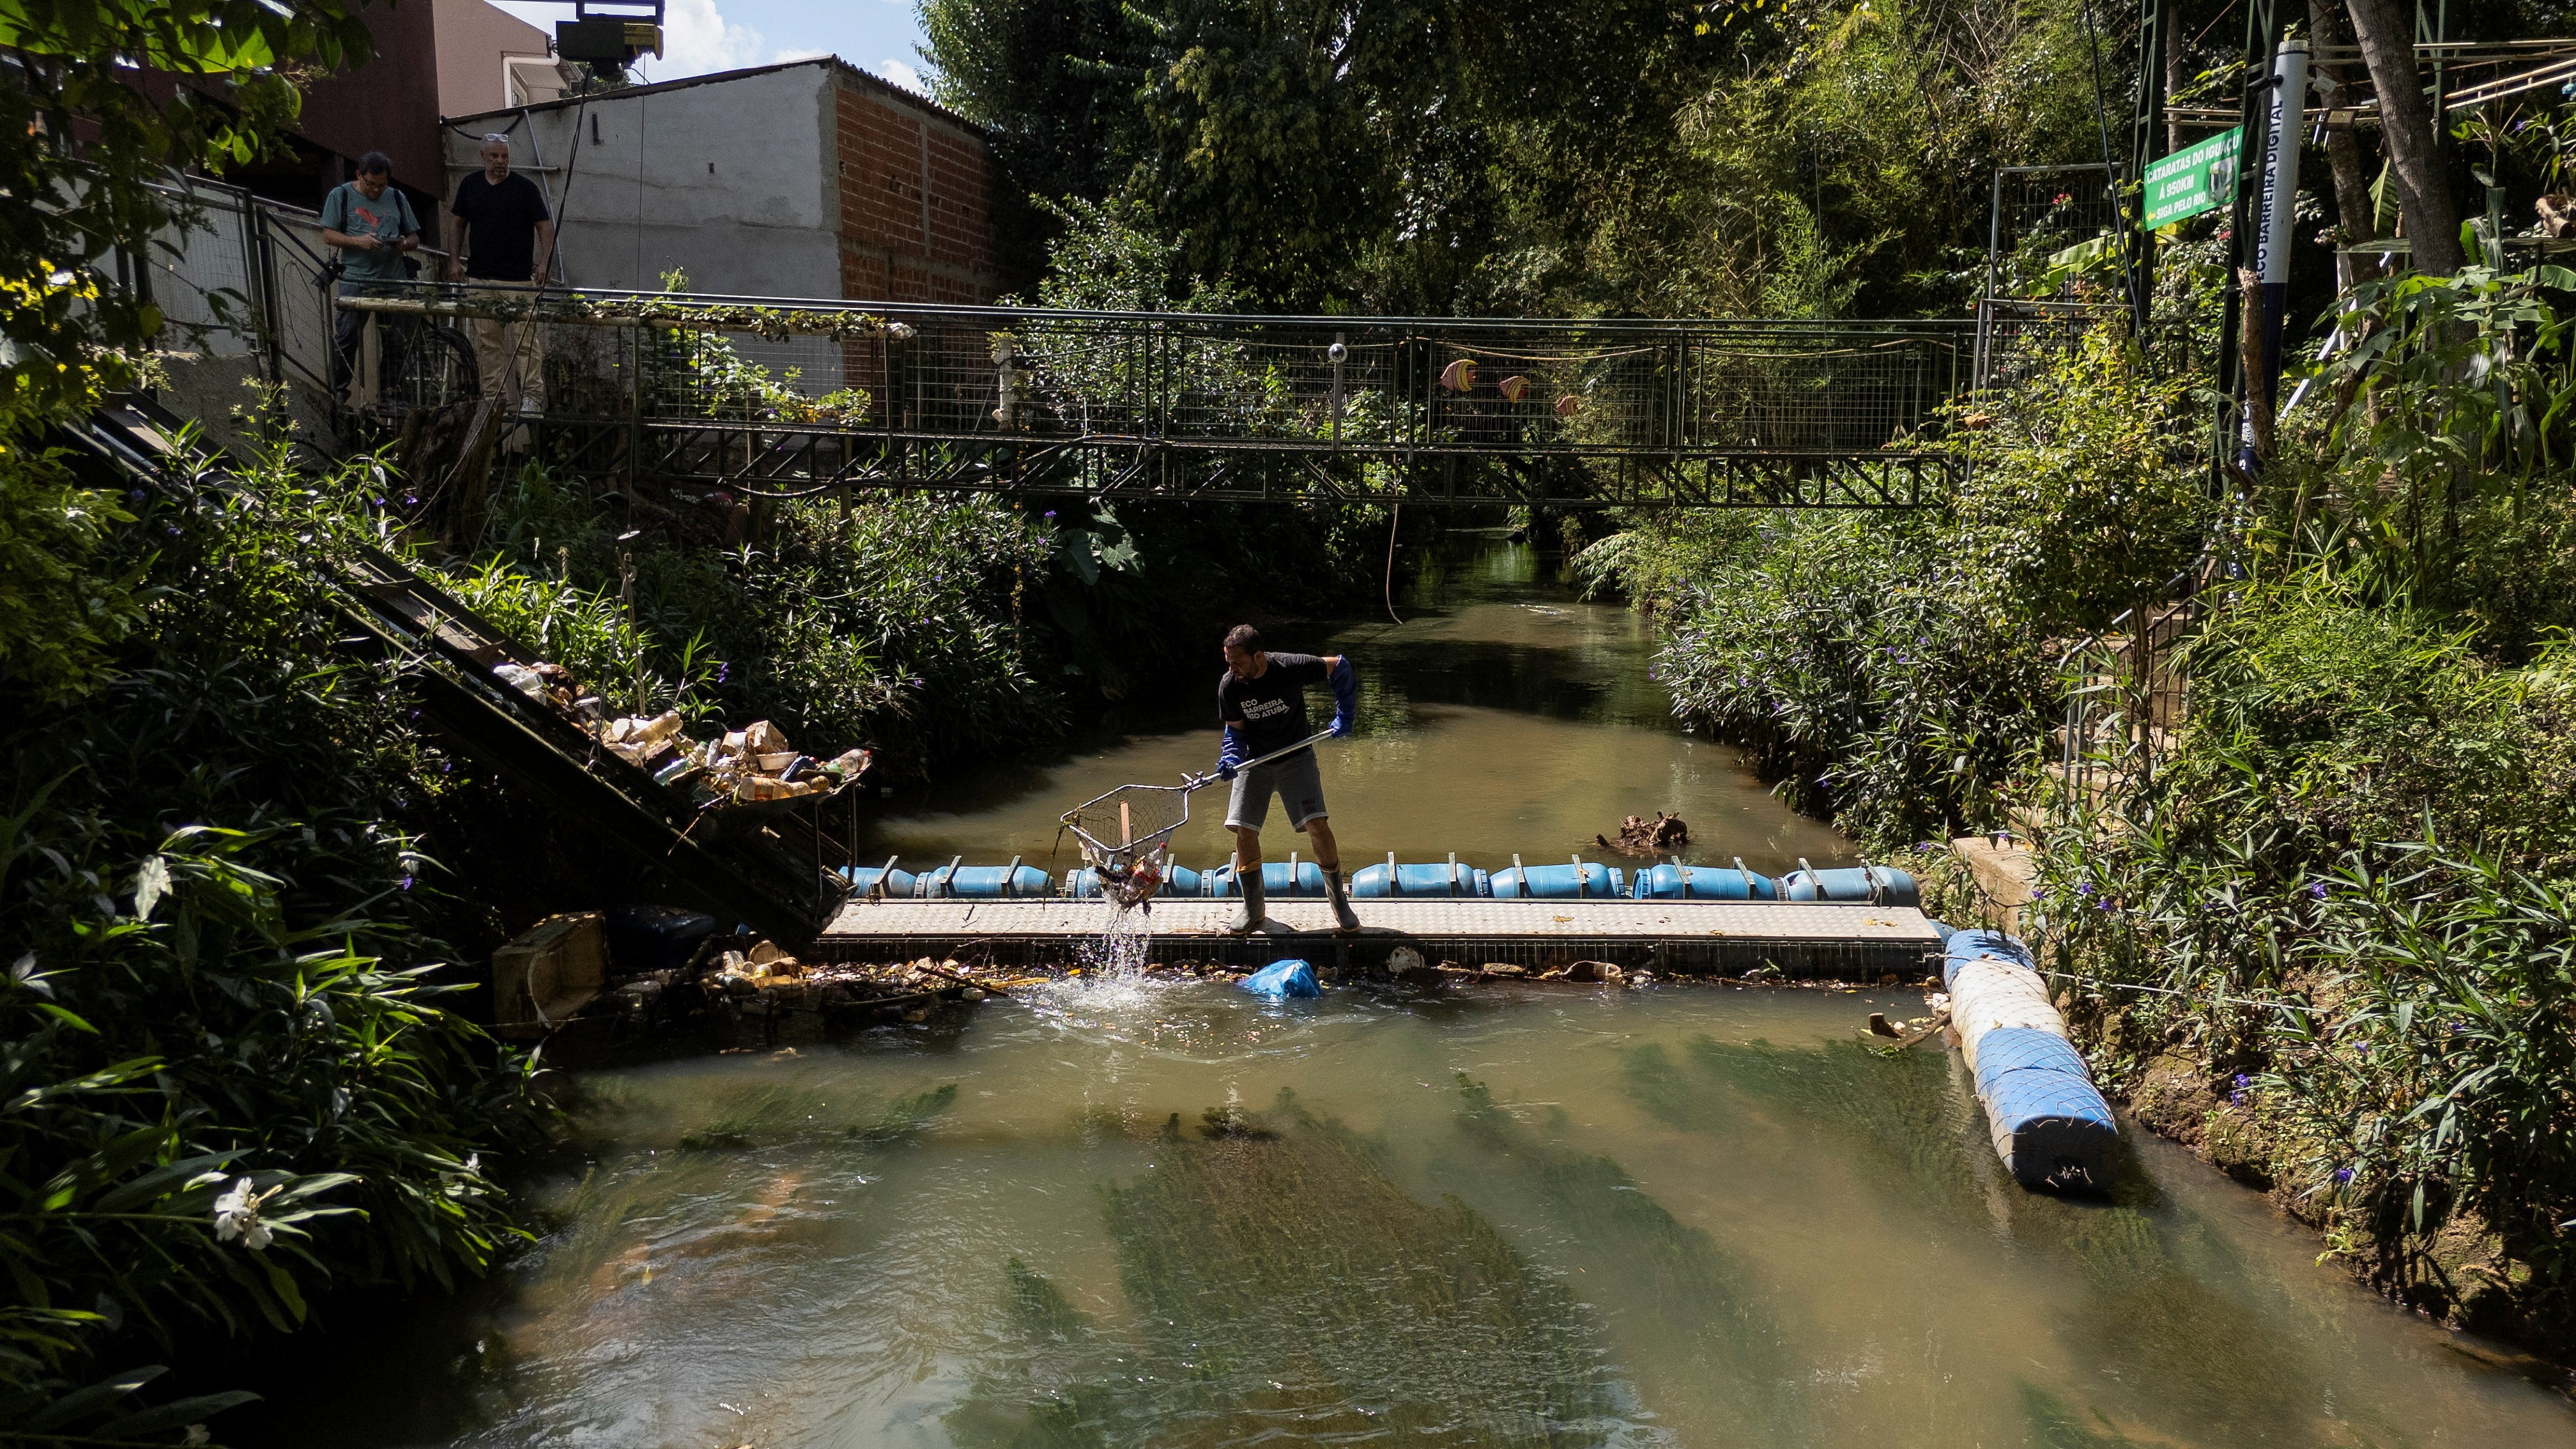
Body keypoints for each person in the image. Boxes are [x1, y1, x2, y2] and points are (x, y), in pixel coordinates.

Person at [1215, 624, 1360, 933]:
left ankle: (1339, 904)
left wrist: (1345, 714)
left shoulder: (1290, 667)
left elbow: (1339, 666)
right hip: (1256, 761)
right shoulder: (1230, 686)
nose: (1232, 668)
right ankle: (1253, 909)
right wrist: (1231, 756)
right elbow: (1235, 731)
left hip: (1297, 757)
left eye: (1237, 661)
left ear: (1258, 656)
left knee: (1317, 825)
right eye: (1228, 661)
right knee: (1243, 829)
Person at [446, 133, 556, 415]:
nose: (500, 161)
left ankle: (532, 396)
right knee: (488, 343)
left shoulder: (525, 188)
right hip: (480, 278)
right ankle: (495, 398)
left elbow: (545, 227)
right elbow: (457, 224)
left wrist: (544, 261)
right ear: (483, 156)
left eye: (505, 156)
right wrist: (455, 261)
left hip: (519, 279)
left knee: (527, 341)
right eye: (494, 156)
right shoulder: (470, 186)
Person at [318, 152, 421, 402]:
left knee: (397, 341)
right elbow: (329, 235)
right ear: (359, 176)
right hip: (355, 279)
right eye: (370, 184)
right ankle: (339, 392)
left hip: (394, 279)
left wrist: (403, 244)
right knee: (346, 338)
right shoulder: (340, 195)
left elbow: (415, 238)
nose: (376, 190)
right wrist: (359, 242)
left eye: (381, 185)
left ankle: (390, 394)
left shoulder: (397, 197)